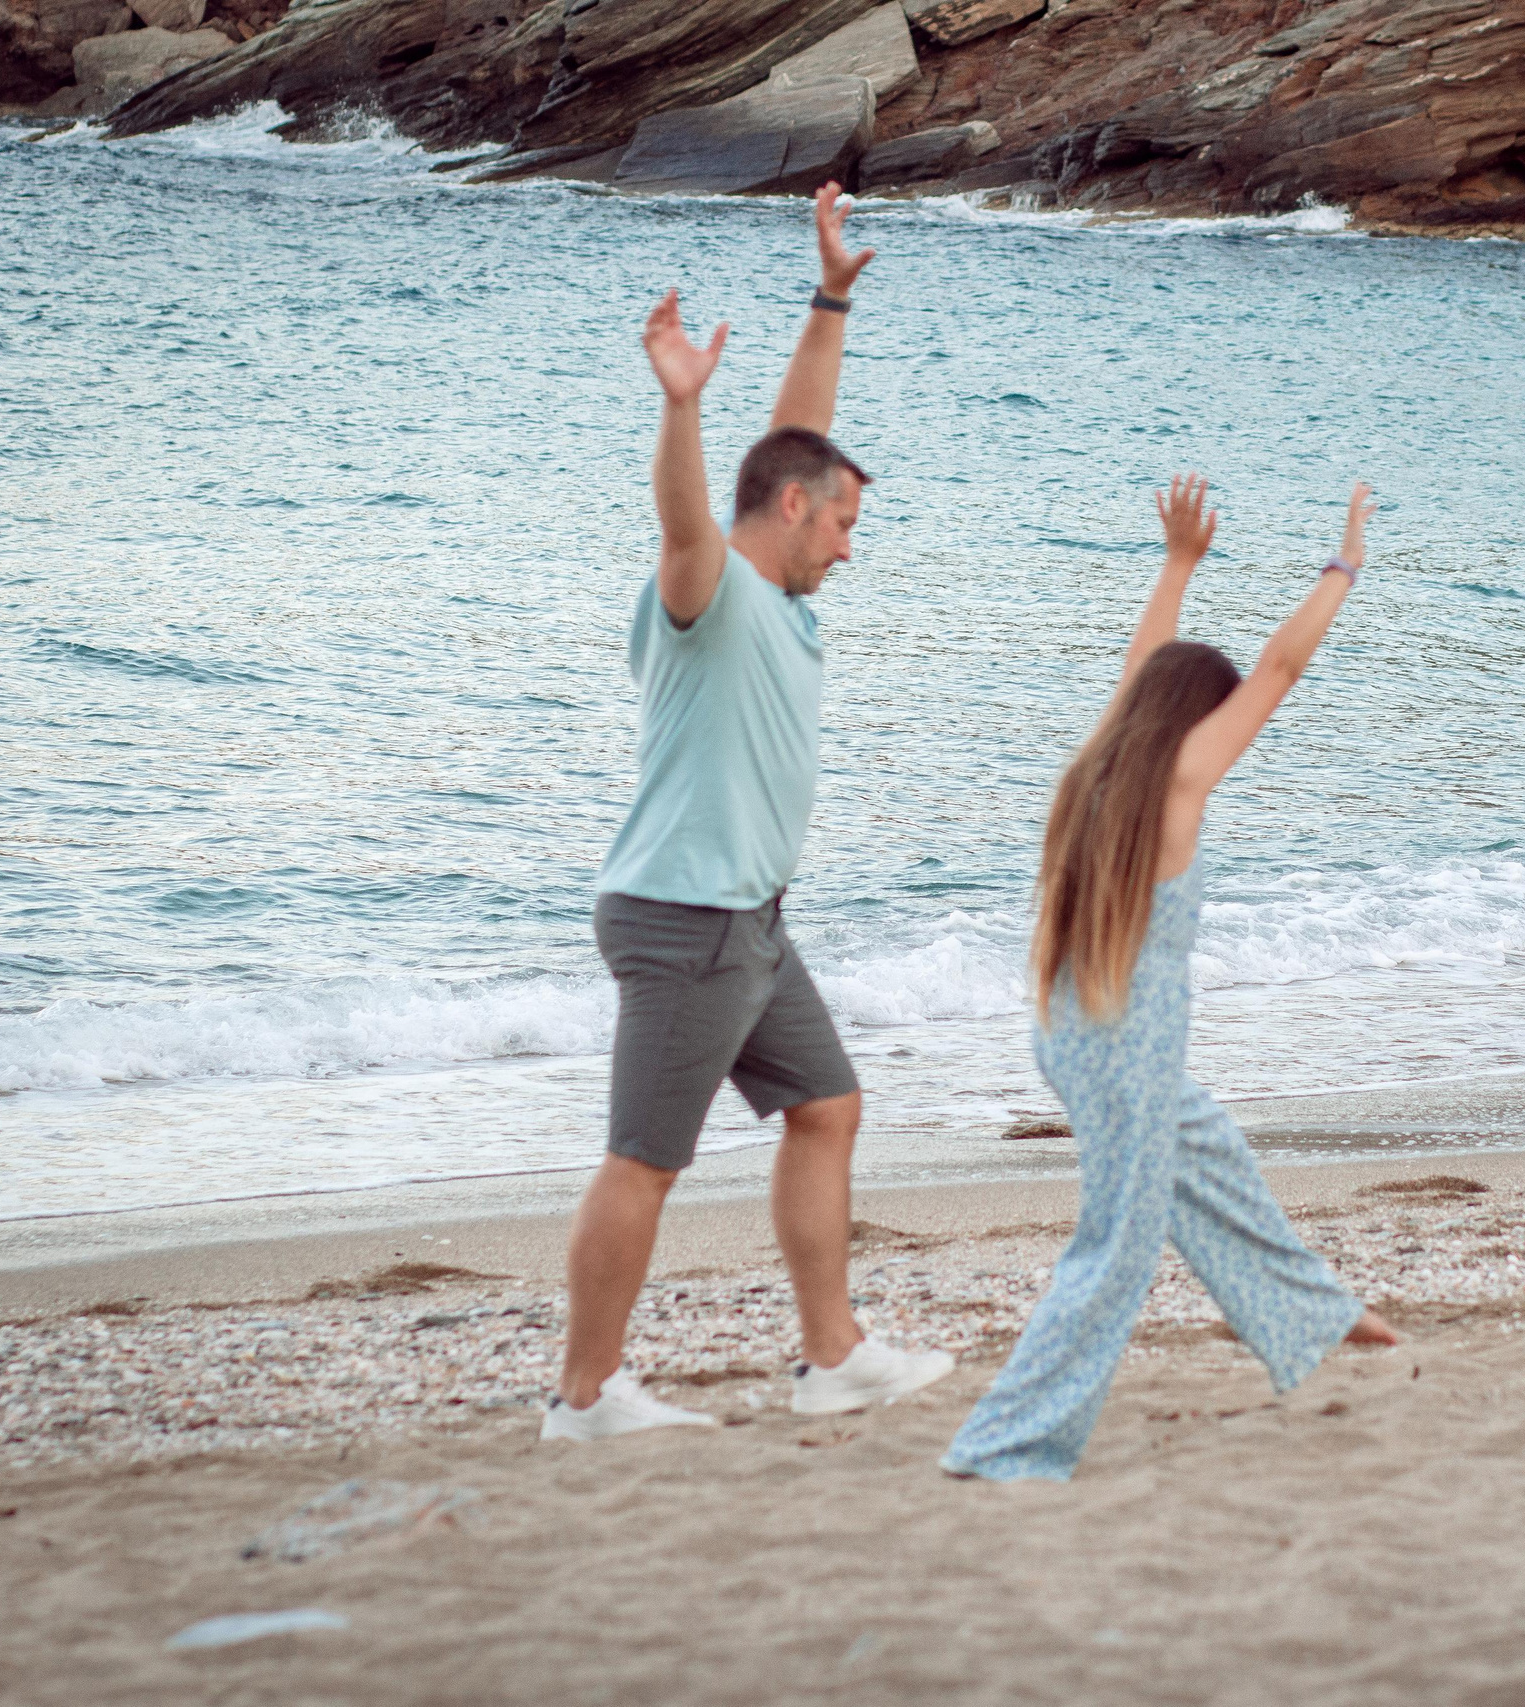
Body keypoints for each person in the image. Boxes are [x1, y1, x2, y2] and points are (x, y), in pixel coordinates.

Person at [544, 185, 954, 1442]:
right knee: (645, 1160)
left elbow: (798, 435)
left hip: (749, 923)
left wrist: (830, 295)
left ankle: (833, 1355)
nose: (849, 545)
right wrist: (680, 404)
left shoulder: (781, 595)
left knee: (826, 1107)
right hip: (687, 915)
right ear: (790, 513)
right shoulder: (709, 590)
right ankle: (586, 1397)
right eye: (843, 522)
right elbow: (689, 514)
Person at [941, 473, 1402, 1482]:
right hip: (1123, 1052)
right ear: (1196, 723)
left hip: (1076, 1036)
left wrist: (1179, 564)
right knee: (1115, 1254)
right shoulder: (1181, 786)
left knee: (1214, 1151)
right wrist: (1345, 562)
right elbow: (1279, 668)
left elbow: (1142, 667)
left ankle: (1313, 1312)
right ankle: (1003, 1440)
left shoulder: (1104, 766)